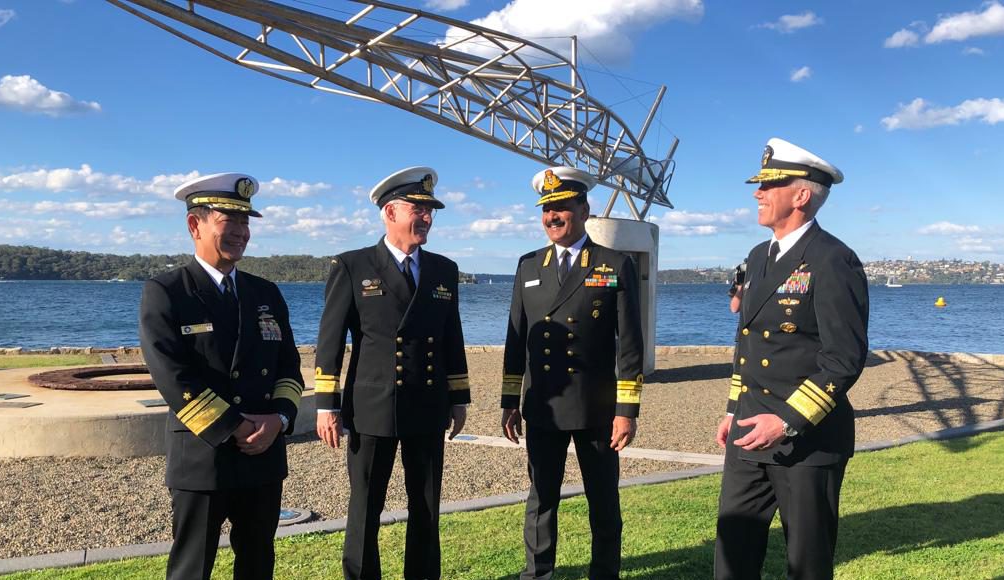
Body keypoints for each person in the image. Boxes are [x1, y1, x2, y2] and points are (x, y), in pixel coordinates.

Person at [714, 138, 869, 579]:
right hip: (747, 435)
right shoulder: (758, 256)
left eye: (769, 185)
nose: (756, 193)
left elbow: (843, 360)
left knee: (806, 565)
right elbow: (747, 346)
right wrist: (733, 409)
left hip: (806, 441)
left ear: (801, 196)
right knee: (732, 558)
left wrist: (783, 421)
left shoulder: (833, 260)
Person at [139, 173, 304, 580]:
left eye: (246, 223)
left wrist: (279, 419)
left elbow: (289, 366)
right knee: (192, 569)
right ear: (195, 225)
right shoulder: (167, 290)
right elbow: (172, 376)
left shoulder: (265, 292)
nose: (242, 233)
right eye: (230, 221)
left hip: (263, 455)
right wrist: (234, 426)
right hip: (204, 454)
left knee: (257, 566)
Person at [314, 166, 470, 580]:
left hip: (427, 404)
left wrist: (458, 397)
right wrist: (326, 406)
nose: (427, 218)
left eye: (430, 211)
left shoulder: (443, 270)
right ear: (389, 211)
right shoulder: (353, 265)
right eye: (418, 209)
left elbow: (451, 337)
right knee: (365, 507)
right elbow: (330, 342)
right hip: (372, 408)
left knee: (426, 507)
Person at [501, 166, 645, 580]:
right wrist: (510, 401)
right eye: (546, 210)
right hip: (543, 406)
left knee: (603, 502)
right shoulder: (528, 266)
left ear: (583, 209)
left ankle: (604, 574)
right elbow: (517, 341)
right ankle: (538, 575)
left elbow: (630, 346)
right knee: (541, 500)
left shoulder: (612, 263)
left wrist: (627, 410)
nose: (552, 217)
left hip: (596, 409)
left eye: (561, 207)